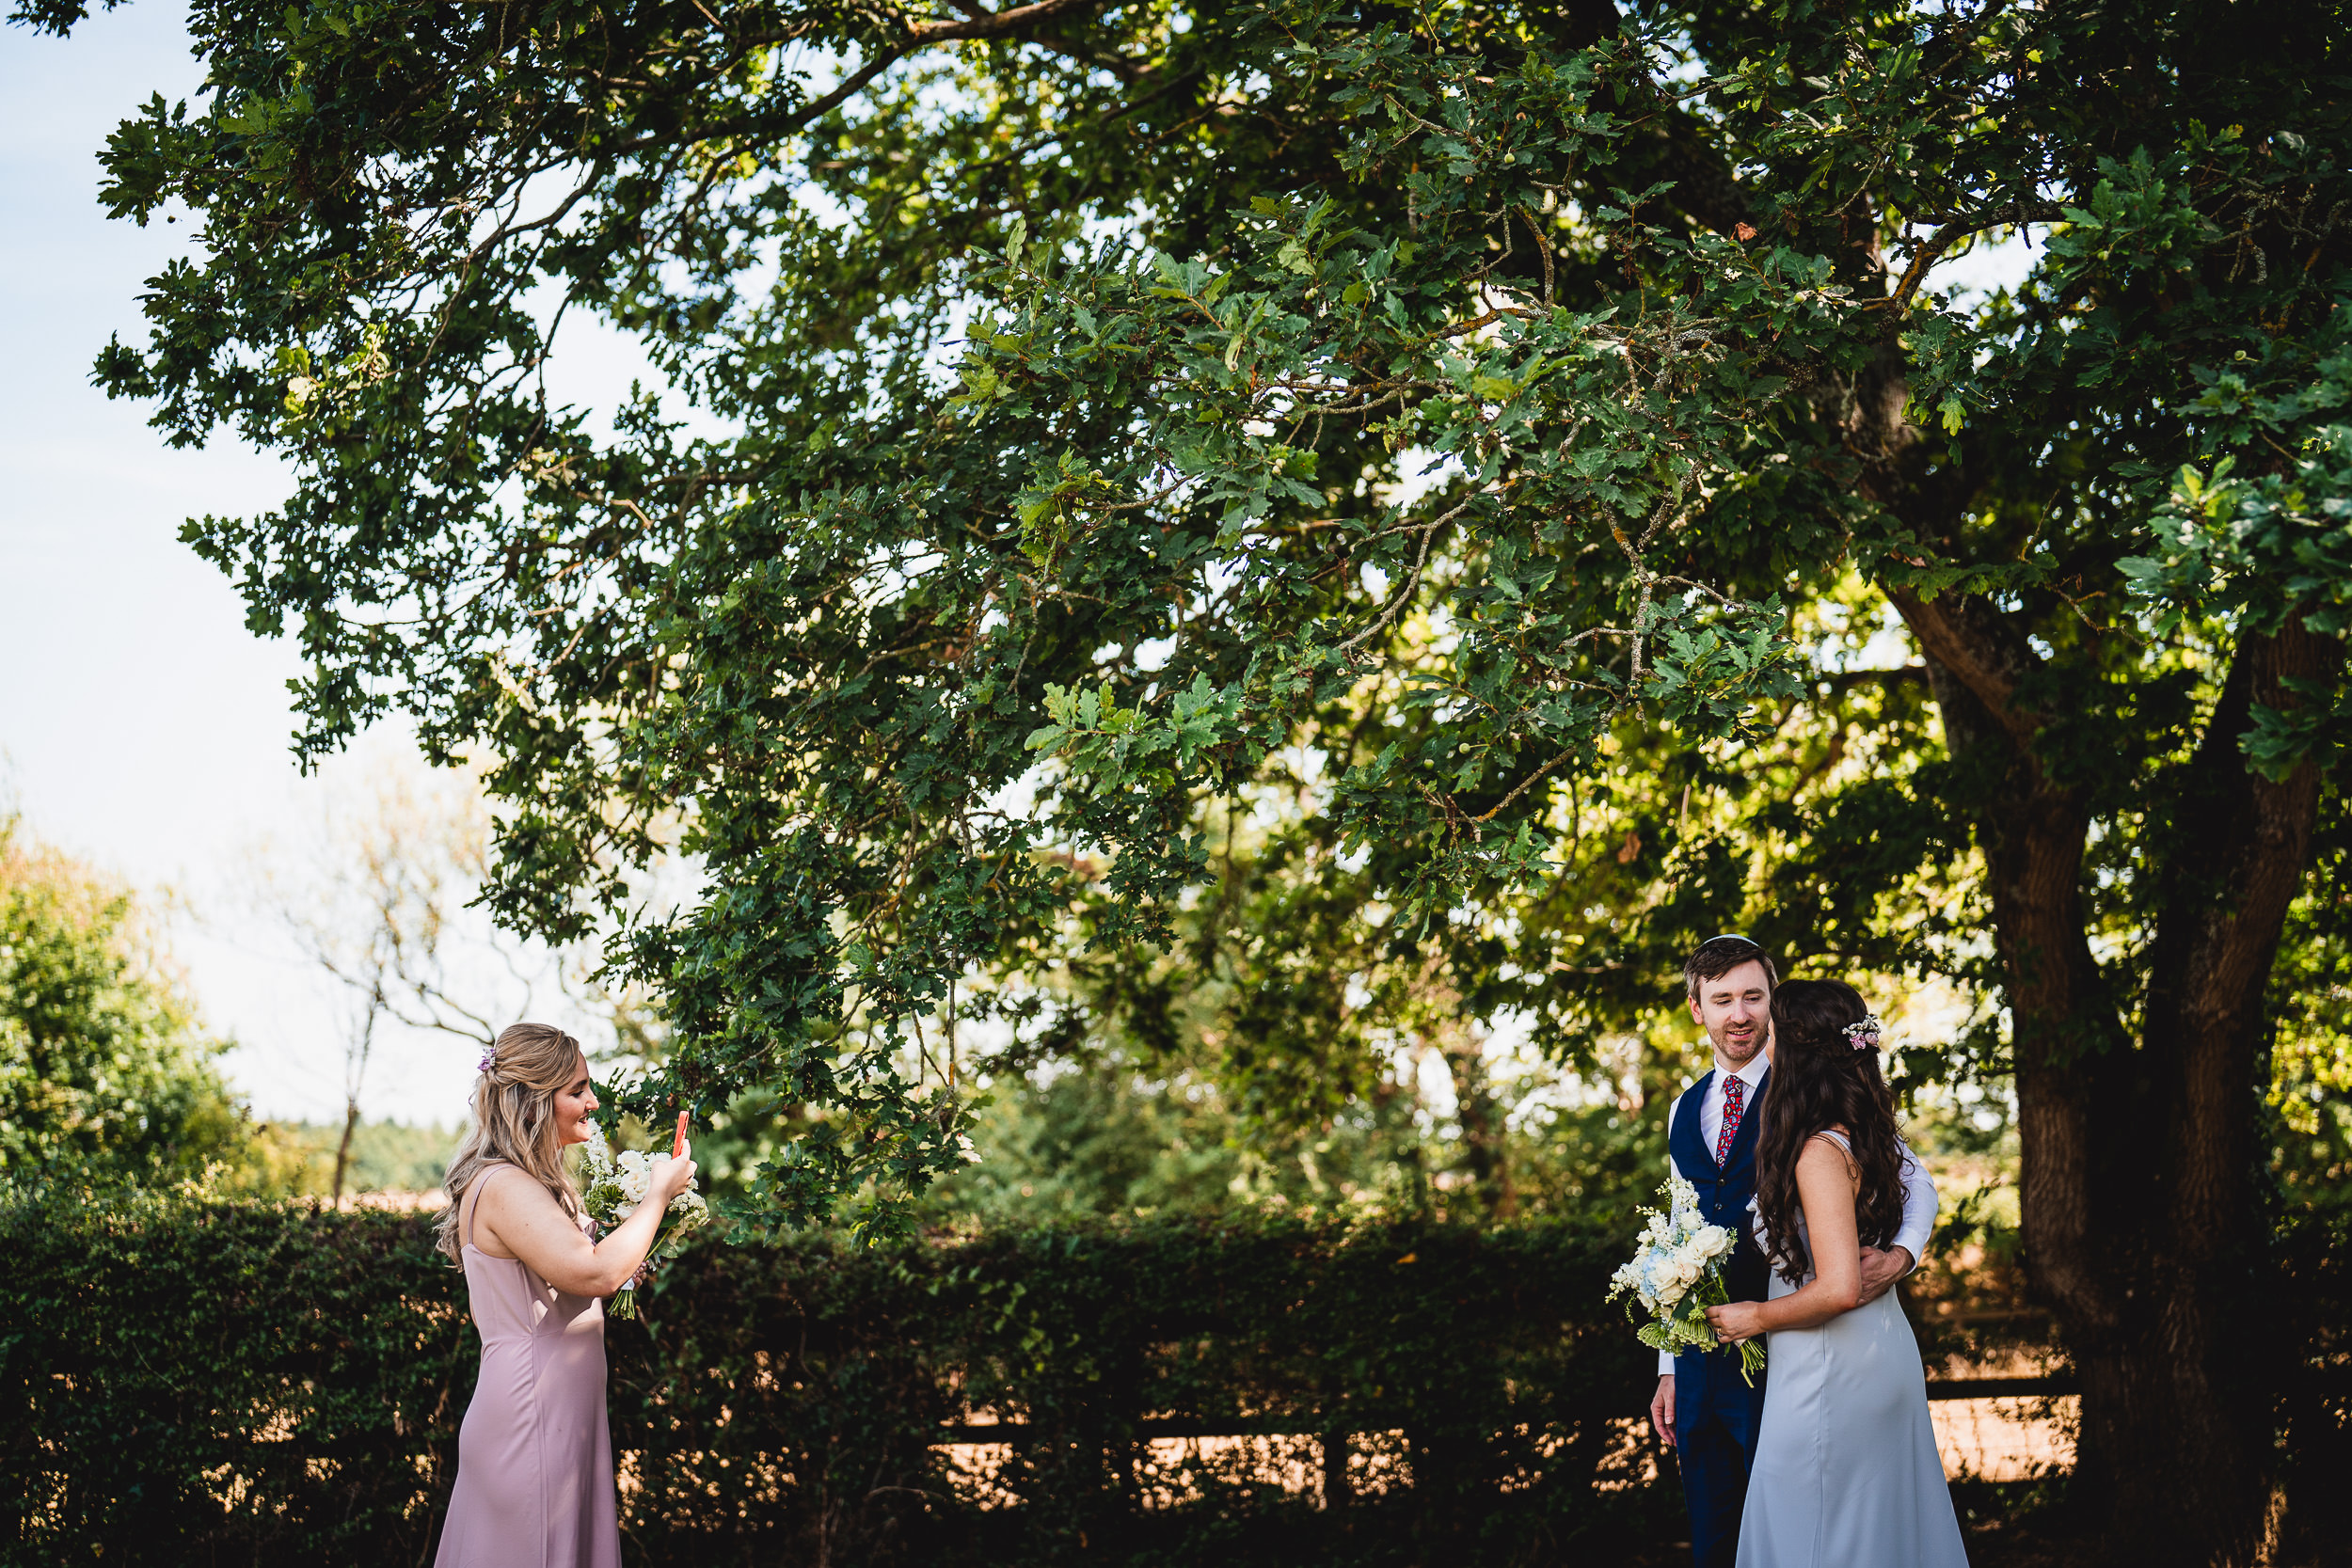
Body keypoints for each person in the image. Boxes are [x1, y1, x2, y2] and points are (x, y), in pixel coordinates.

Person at [1649, 937, 1936, 1568]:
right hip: (1704, 1357)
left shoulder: (1813, 1082)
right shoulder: (1683, 1106)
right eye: (1722, 999)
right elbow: (1678, 1229)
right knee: (1717, 1534)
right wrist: (1670, 1364)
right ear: (1698, 1008)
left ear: (1773, 1004)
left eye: (1754, 996)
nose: (1741, 1013)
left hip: (1788, 1348)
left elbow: (1917, 1182)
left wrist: (1901, 1256)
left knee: (1796, 1527)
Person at [1704, 979, 1968, 1567]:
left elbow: (1840, 1286)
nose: (1760, 1035)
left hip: (1828, 1366)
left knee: (1811, 1531)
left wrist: (1756, 1317)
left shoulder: (1818, 1151)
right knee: (1868, 1532)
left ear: (1793, 1047)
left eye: (1770, 1026)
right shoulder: (1866, 1129)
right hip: (1876, 1351)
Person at [430, 1022, 697, 1568]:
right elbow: (592, 1273)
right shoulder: (503, 1185)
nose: (592, 1103)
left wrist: (627, 1261)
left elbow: (583, 1280)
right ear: (533, 1099)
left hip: (564, 1411)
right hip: (531, 1408)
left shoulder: (534, 1185)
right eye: (577, 1090)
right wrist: (657, 1196)